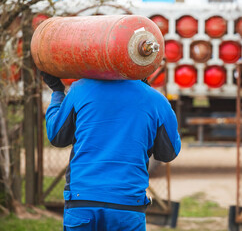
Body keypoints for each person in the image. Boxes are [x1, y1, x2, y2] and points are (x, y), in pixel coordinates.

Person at [41, 71, 181, 231]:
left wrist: (57, 92)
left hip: (83, 200)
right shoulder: (155, 100)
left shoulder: (80, 89)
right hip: (127, 205)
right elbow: (168, 153)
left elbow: (57, 136)